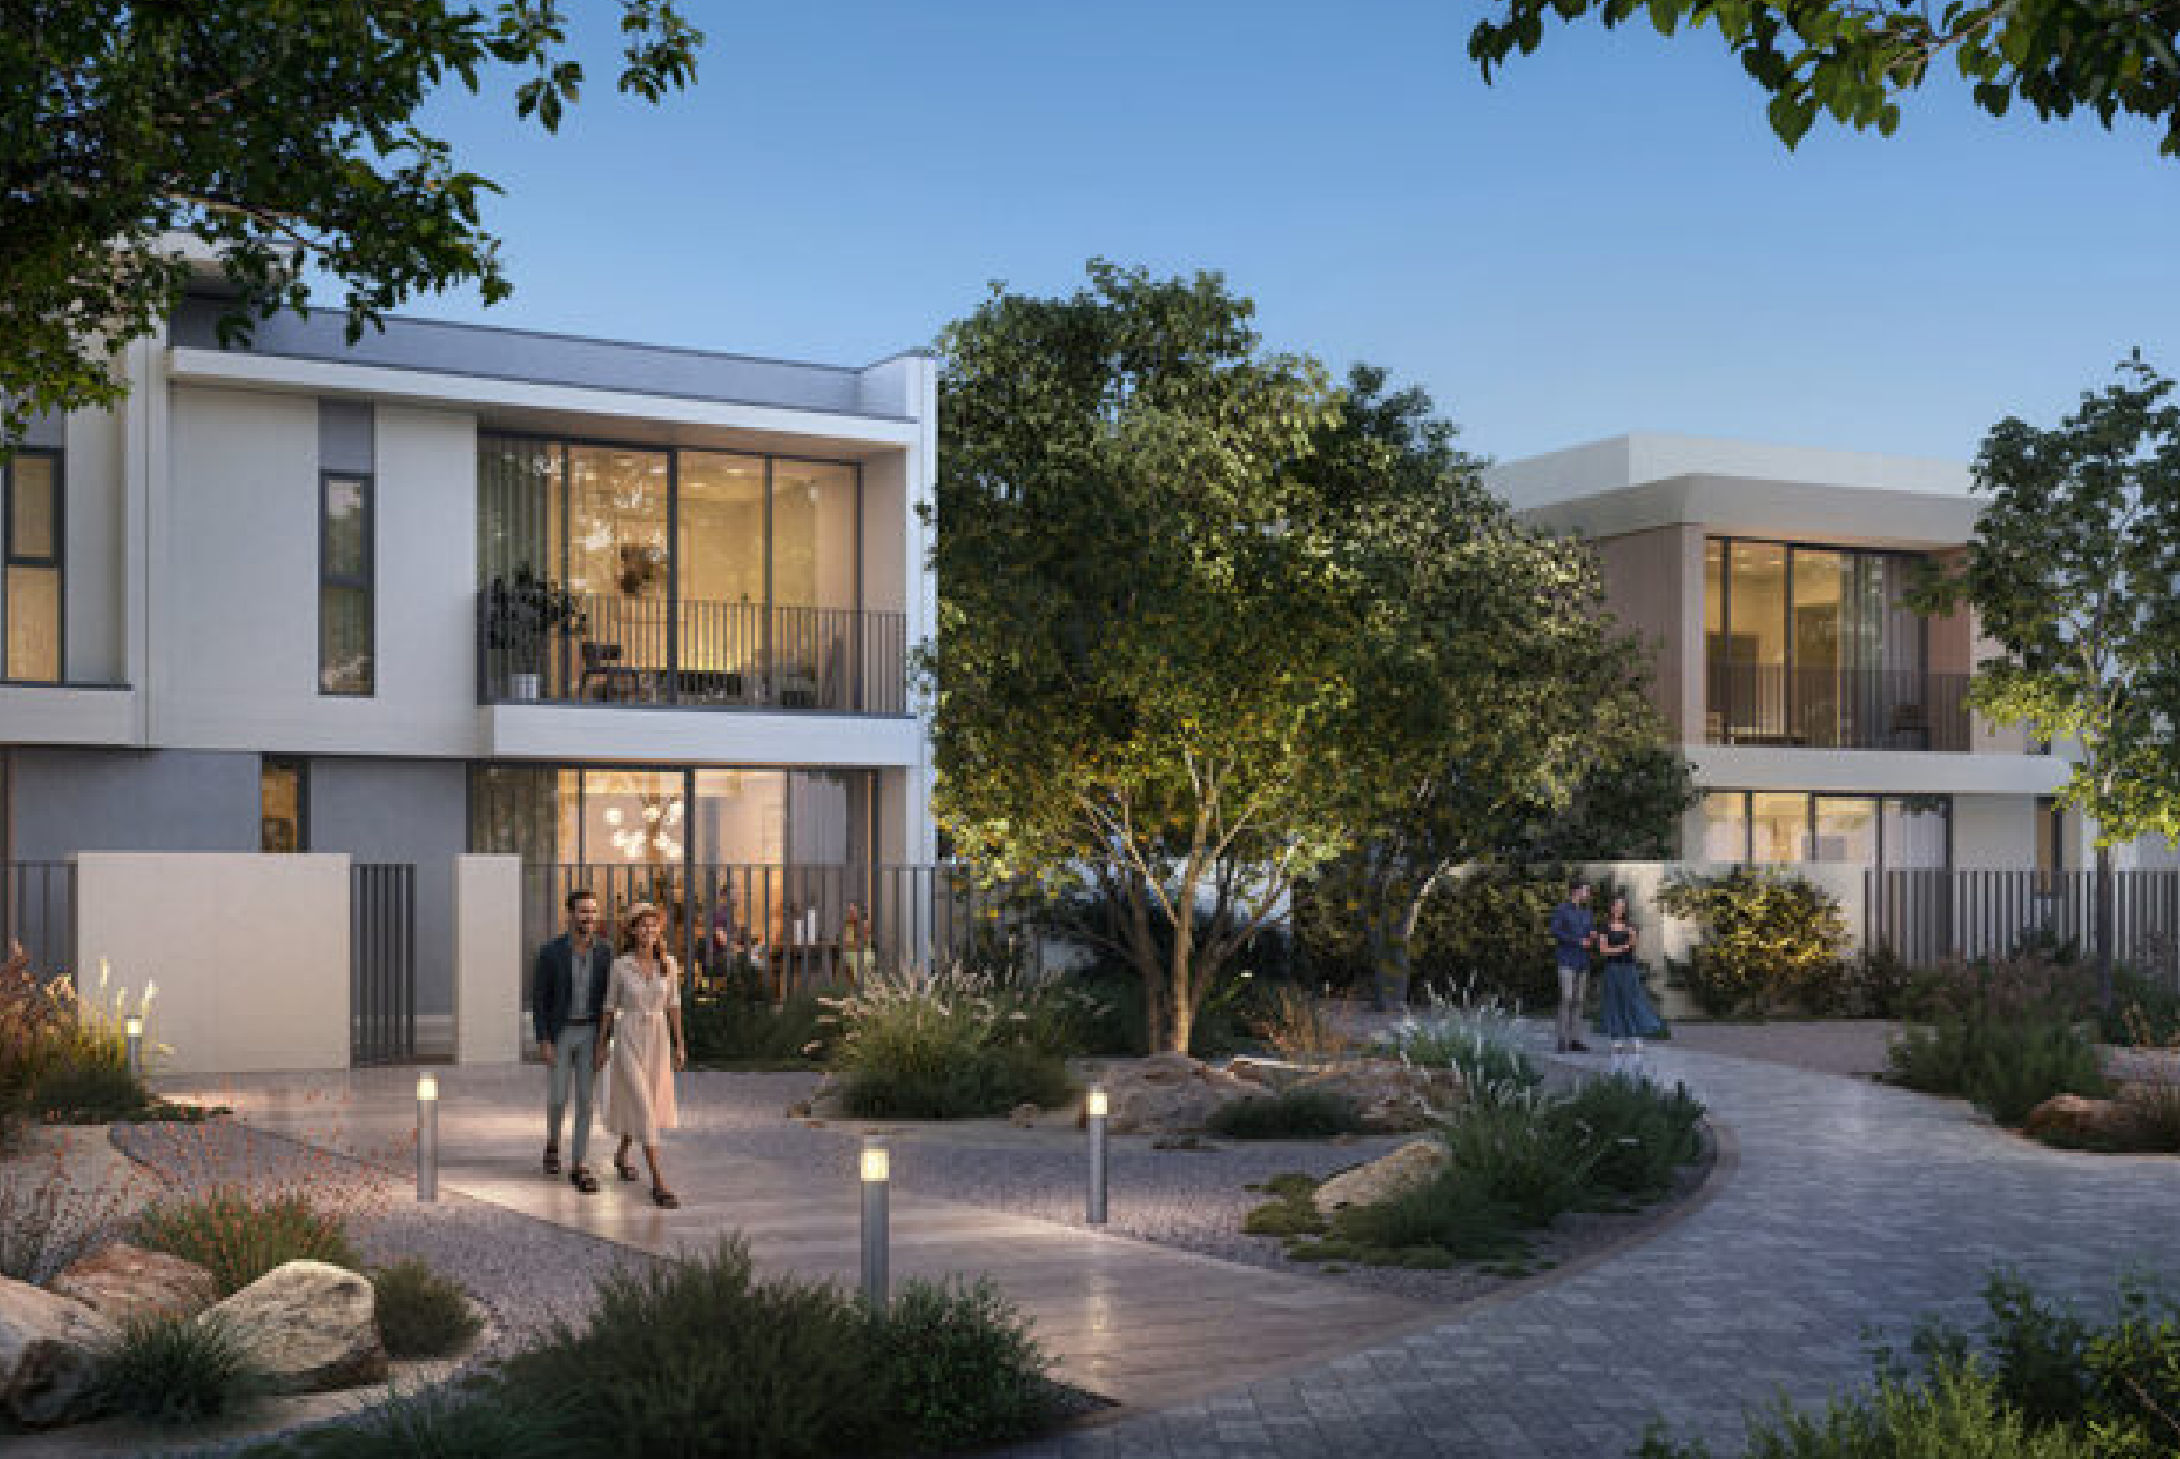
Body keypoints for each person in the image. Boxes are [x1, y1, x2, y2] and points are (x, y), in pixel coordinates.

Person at [596, 901, 687, 1208]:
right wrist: (600, 1045)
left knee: (645, 1102)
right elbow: (609, 1007)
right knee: (643, 1106)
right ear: (632, 930)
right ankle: (659, 1182)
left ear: (659, 929)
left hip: (658, 1040)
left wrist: (680, 1044)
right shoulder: (621, 966)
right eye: (641, 924)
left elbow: (674, 1004)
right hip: (629, 1038)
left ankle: (622, 1154)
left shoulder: (669, 964)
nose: (648, 929)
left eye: (653, 924)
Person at [533, 888, 612, 1193]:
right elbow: (539, 999)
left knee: (585, 1101)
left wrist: (605, 1042)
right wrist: (544, 1039)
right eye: (583, 911)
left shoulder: (606, 951)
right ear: (570, 914)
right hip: (561, 1032)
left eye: (593, 911)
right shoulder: (551, 952)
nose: (589, 917)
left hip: (592, 1032)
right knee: (556, 1097)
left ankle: (579, 1164)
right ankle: (552, 1144)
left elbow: (610, 1000)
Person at [1595, 896, 1667, 1075]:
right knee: (1614, 1002)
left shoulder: (1630, 927)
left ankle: (1636, 1037)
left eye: (1622, 907)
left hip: (1628, 969)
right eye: (1617, 906)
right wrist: (1621, 948)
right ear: (1611, 908)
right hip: (1612, 969)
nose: (1619, 909)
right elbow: (1603, 950)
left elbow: (1633, 944)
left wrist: (1620, 947)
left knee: (1633, 1000)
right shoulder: (1604, 927)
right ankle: (1616, 1038)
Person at [1548, 880, 1596, 1054]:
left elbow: (1590, 931)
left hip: (1582, 962)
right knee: (1566, 998)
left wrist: (1593, 934)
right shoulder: (1562, 909)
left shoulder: (1587, 913)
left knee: (1579, 1001)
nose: (1588, 893)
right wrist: (1577, 941)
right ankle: (1562, 1040)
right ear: (1576, 891)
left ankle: (1575, 1040)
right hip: (1566, 960)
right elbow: (1555, 931)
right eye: (1586, 890)